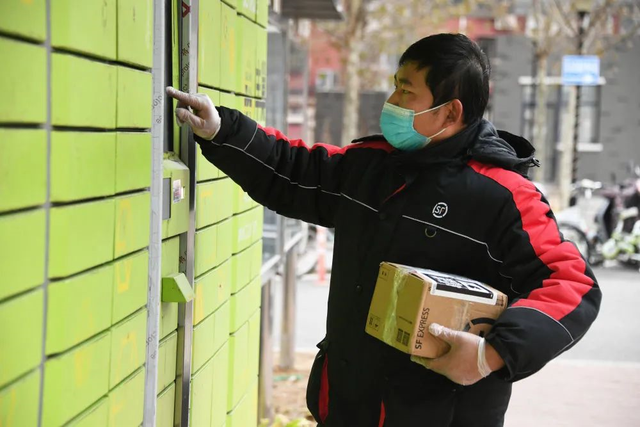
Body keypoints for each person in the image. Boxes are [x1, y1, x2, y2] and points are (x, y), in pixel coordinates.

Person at [167, 33, 601, 427]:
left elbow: (571, 284)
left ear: (450, 111)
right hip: (347, 405)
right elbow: (293, 169)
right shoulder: (375, 166)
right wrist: (223, 131)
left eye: (407, 90)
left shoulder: (504, 195)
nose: (392, 99)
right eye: (396, 84)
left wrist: (493, 355)